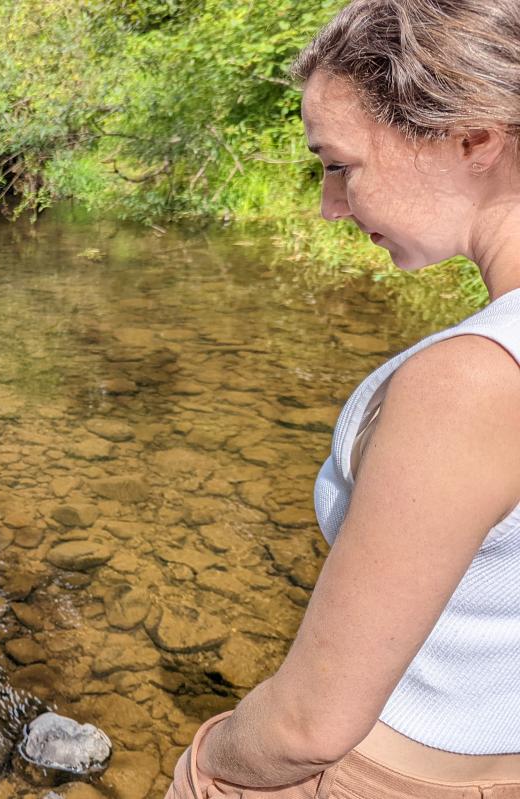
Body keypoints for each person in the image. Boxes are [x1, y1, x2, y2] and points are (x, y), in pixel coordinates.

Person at [167, 1, 520, 797]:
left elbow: (307, 728)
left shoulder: (473, 380)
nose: (330, 205)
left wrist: (205, 763)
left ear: (472, 139)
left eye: (339, 164)